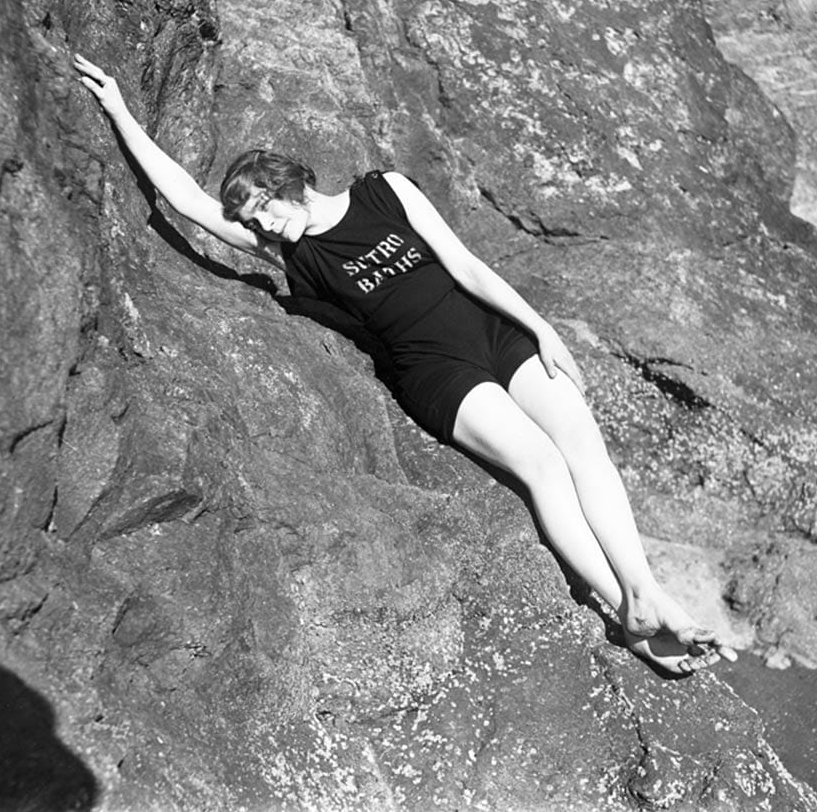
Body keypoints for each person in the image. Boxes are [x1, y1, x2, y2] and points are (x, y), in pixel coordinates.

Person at [74, 53, 736, 675]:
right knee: (542, 466)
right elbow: (187, 201)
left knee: (582, 440)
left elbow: (466, 265)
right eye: (254, 223)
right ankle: (634, 610)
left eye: (265, 211)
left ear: (289, 184)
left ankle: (646, 595)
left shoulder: (382, 193)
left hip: (491, 333)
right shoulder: (292, 257)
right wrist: (120, 111)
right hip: (436, 373)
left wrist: (539, 328)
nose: (266, 228)